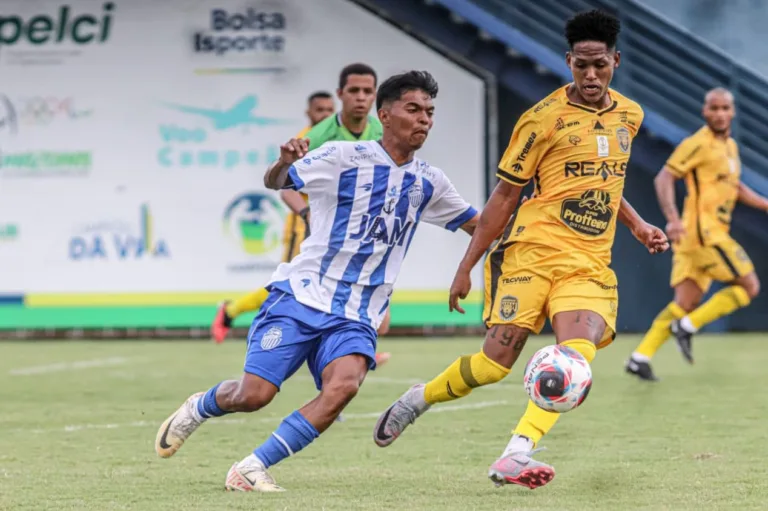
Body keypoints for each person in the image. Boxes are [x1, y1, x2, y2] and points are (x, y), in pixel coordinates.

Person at [373, 10, 669, 490]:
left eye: (600, 65)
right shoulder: (540, 120)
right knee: (492, 366)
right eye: (581, 66)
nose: (591, 76)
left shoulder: (629, 116)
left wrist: (636, 224)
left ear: (615, 60)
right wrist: (465, 266)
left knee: (574, 358)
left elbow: (606, 182)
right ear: (568, 61)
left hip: (588, 264)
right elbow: (503, 198)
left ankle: (517, 452)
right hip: (530, 253)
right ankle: (419, 398)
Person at [156, 70, 480, 492]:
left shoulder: (430, 182)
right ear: (386, 114)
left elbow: (482, 223)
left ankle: (251, 468)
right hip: (303, 296)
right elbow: (276, 182)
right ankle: (200, 406)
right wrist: (284, 163)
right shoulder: (345, 158)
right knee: (254, 396)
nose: (424, 120)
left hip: (357, 314)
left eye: (430, 112)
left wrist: (484, 255)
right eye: (414, 109)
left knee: (343, 387)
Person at [211, 64, 392, 364]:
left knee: (376, 317)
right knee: (297, 291)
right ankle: (254, 329)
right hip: (311, 228)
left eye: (367, 91)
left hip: (359, 231)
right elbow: (285, 188)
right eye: (354, 91)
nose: (360, 97)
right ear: (341, 95)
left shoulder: (378, 131)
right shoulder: (316, 137)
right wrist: (309, 216)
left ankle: (351, 347)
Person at [626, 88, 767, 381]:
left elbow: (735, 187)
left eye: (724, 108)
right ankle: (688, 327)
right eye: (713, 108)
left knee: (684, 303)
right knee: (749, 286)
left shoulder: (730, 148)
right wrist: (672, 219)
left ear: (732, 112)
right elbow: (664, 176)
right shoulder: (697, 143)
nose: (719, 113)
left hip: (694, 239)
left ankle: (640, 357)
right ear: (704, 112)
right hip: (704, 234)